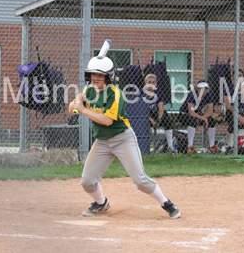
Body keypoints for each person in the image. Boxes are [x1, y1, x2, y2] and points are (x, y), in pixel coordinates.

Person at [69, 55, 180, 219]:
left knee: (140, 181)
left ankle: (166, 203)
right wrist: (77, 102)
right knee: (87, 182)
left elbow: (107, 120)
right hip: (102, 141)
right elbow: (72, 111)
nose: (96, 78)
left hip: (123, 139)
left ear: (109, 76)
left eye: (100, 75)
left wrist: (83, 110)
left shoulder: (116, 94)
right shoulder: (89, 91)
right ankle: (101, 203)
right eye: (94, 74)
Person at [177, 80, 221, 154]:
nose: (203, 91)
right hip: (184, 114)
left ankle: (212, 146)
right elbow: (191, 112)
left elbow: (210, 111)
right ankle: (190, 147)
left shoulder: (208, 95)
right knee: (193, 120)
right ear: (197, 88)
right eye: (201, 88)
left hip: (197, 114)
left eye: (205, 89)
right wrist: (203, 118)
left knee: (211, 120)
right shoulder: (192, 94)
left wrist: (203, 118)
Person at [137, 74, 175, 153]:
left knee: (166, 117)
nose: (151, 84)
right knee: (143, 122)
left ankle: (170, 146)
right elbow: (140, 111)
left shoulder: (158, 92)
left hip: (154, 114)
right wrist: (151, 121)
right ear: (145, 83)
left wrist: (159, 119)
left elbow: (161, 108)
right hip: (143, 115)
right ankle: (145, 148)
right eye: (149, 82)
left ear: (156, 84)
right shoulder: (140, 92)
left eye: (153, 82)